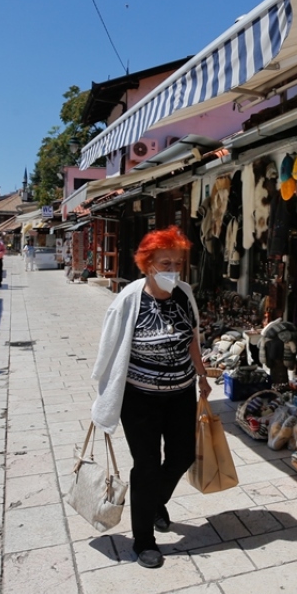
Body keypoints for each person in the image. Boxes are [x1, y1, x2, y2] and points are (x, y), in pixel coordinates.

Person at [90, 226, 212, 570]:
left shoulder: (184, 293)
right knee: (145, 465)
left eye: (177, 262)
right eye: (165, 262)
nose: (172, 268)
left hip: (181, 393)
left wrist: (201, 375)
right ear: (148, 263)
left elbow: (192, 337)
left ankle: (154, 502)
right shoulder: (129, 299)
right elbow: (110, 348)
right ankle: (143, 540)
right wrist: (104, 394)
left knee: (182, 455)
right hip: (139, 398)